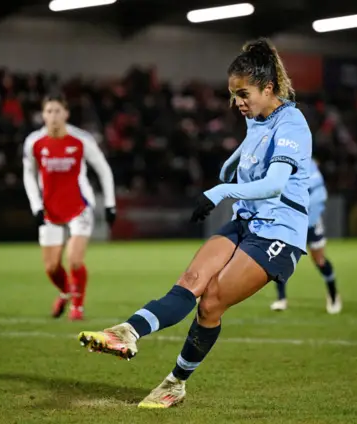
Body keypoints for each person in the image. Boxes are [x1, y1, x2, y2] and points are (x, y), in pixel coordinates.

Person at [77, 38, 312, 408]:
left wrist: (221, 189)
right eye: (233, 95)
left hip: (279, 233)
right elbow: (251, 147)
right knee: (191, 281)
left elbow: (276, 183)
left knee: (211, 302)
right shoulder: (256, 117)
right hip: (247, 223)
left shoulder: (292, 122)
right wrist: (234, 163)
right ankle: (126, 332)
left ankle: (175, 383)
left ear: (269, 88)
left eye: (243, 93)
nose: (237, 103)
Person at [23, 94, 116, 321]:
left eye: (57, 111)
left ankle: (77, 306)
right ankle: (65, 292)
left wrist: (110, 204)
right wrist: (36, 206)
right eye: (49, 111)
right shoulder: (34, 142)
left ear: (66, 114)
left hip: (79, 205)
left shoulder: (81, 139)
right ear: (43, 115)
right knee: (52, 267)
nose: (53, 116)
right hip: (50, 209)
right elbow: (29, 175)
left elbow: (103, 169)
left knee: (74, 260)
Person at [270, 158, 341, 313]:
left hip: (310, 219)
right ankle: (281, 298)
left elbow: (319, 193)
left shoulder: (309, 165)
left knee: (319, 260)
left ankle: (333, 294)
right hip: (289, 220)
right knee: (279, 259)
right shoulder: (281, 163)